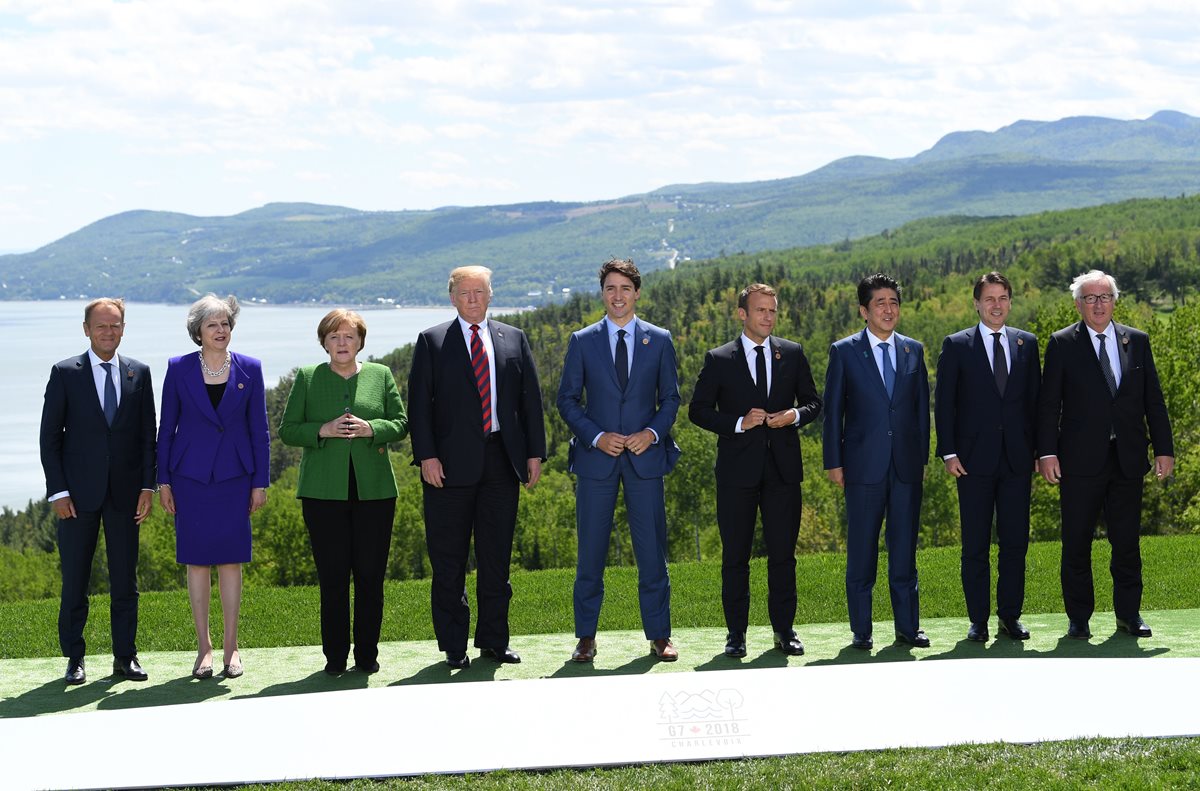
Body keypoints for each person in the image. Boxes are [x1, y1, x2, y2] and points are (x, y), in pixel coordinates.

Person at [407, 266, 547, 669]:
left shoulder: (513, 338)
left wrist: (533, 454)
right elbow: (419, 406)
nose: (473, 299)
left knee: (496, 559)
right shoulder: (432, 341)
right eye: (465, 293)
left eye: (480, 292)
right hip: (447, 469)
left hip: (502, 462)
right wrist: (427, 456)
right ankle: (454, 645)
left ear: (490, 296)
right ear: (452, 297)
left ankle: (493, 641)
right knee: (449, 562)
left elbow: (530, 401)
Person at [1037, 270, 1173, 639]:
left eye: (1104, 297)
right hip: (1079, 462)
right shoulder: (1062, 343)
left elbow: (1153, 401)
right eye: (1090, 298)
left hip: (1128, 459)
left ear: (1115, 301)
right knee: (1077, 542)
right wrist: (1046, 452)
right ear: (1079, 304)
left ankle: (1129, 614)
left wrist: (1164, 449)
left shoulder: (1137, 341)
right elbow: (1049, 405)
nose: (1098, 304)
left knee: (1126, 543)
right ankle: (1079, 619)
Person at [557, 258, 682, 663]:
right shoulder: (583, 340)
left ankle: (659, 635)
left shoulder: (659, 339)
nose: (618, 296)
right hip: (597, 461)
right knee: (590, 551)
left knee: (652, 553)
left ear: (637, 293)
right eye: (610, 288)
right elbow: (567, 400)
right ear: (603, 294)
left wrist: (651, 433)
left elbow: (672, 399)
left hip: (646, 460)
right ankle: (586, 637)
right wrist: (595, 435)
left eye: (625, 288)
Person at [688, 283, 822, 658]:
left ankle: (784, 631)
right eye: (760, 310)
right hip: (736, 475)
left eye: (772, 311)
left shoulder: (791, 354)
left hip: (783, 472)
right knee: (735, 558)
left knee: (783, 556)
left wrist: (792, 416)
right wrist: (737, 424)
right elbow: (697, 410)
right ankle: (736, 635)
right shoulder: (719, 359)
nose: (768, 317)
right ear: (742, 314)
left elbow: (814, 403)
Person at [279, 309, 409, 675]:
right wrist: (322, 430)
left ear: (360, 342)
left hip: (376, 493)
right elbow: (288, 429)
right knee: (333, 579)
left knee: (370, 578)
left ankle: (367, 656)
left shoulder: (381, 375)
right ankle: (334, 658)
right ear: (323, 341)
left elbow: (400, 424)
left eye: (349, 336)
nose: (341, 343)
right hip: (322, 495)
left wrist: (372, 428)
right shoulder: (307, 377)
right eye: (334, 337)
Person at [39, 297, 157, 684]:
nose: (109, 332)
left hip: (126, 496)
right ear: (86, 328)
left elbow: (146, 438)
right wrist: (58, 492)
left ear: (123, 329)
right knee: (75, 580)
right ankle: (74, 659)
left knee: (126, 580)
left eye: (116, 325)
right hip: (76, 497)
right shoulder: (64, 373)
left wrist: (147, 486)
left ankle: (125, 657)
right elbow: (49, 438)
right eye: (101, 325)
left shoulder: (139, 373)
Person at [156, 294, 270, 679]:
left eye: (225, 324)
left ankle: (231, 647)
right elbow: (165, 429)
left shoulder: (250, 368)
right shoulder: (178, 368)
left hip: (236, 479)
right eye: (213, 325)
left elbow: (260, 431)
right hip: (189, 479)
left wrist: (260, 483)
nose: (221, 331)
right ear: (198, 331)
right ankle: (204, 648)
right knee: (197, 561)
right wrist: (163, 481)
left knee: (230, 560)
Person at [823, 273, 930, 650]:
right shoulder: (845, 351)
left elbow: (920, 410)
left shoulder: (913, 350)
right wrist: (834, 462)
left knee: (904, 551)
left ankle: (908, 627)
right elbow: (832, 411)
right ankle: (862, 630)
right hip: (862, 468)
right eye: (880, 303)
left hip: (905, 468)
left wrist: (922, 459)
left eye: (894, 302)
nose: (888, 309)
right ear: (863, 311)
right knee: (862, 551)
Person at [934, 272, 1040, 643]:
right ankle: (978, 619)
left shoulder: (1027, 343)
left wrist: (1041, 453)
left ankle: (1010, 617)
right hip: (972, 462)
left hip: (1017, 461)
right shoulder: (957, 345)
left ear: (1011, 302)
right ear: (976, 303)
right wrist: (948, 452)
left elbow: (1036, 405)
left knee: (1015, 543)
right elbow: (944, 403)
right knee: (975, 545)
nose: (997, 305)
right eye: (990, 298)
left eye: (1004, 298)